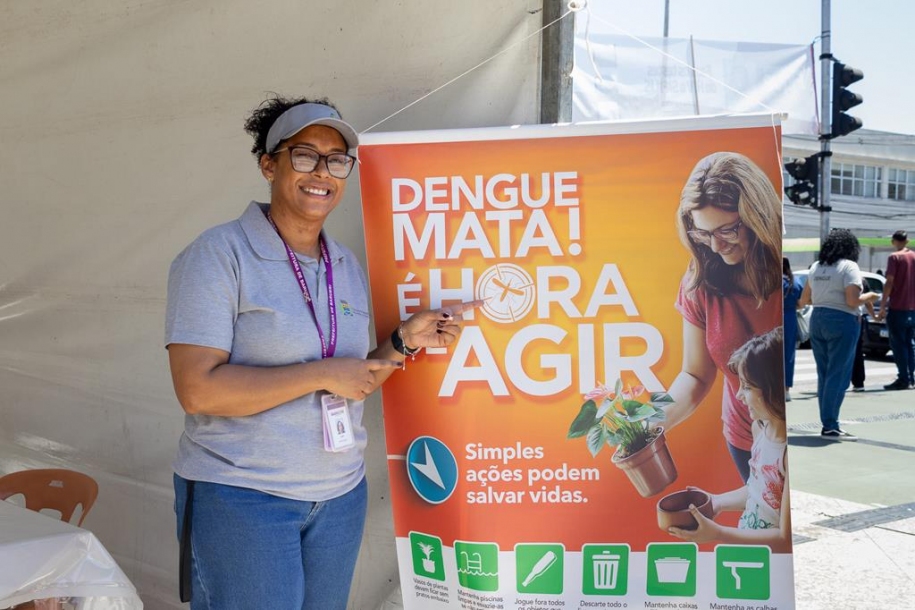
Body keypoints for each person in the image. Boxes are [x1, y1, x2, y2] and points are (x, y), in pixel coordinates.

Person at [165, 95, 479, 609]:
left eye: (336, 160)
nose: (322, 172)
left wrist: (401, 343)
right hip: (244, 497)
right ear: (269, 164)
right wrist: (320, 373)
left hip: (338, 496)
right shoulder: (218, 255)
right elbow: (197, 390)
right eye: (305, 154)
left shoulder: (345, 265)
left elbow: (350, 379)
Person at [665, 152, 782, 482]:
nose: (716, 247)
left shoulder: (785, 273)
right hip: (745, 442)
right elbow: (695, 374)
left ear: (756, 216)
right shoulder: (699, 282)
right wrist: (648, 424)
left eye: (728, 230)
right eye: (703, 234)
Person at [667, 328, 790, 553]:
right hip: (747, 554)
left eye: (748, 386)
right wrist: (717, 501)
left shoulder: (786, 453)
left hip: (771, 562)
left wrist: (718, 533)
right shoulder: (759, 430)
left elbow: (784, 537)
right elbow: (760, 491)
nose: (739, 395)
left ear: (772, 387)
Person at [798, 228, 879, 440]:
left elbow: (804, 299)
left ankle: (828, 422)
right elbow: (853, 301)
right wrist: (871, 295)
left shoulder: (816, 267)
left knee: (824, 373)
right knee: (839, 374)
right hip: (843, 320)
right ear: (850, 247)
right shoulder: (849, 266)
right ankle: (830, 425)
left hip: (818, 319)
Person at [875, 230, 915, 390]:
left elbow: (889, 282)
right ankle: (911, 377)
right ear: (907, 240)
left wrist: (883, 305)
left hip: (898, 307)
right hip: (912, 308)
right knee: (910, 343)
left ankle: (903, 378)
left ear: (893, 241)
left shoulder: (894, 257)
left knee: (898, 344)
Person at [782, 257, 803, 401]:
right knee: (788, 355)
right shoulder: (795, 281)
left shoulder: (772, 279)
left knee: (770, 354)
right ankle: (786, 390)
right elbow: (801, 303)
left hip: (773, 318)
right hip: (790, 318)